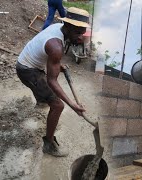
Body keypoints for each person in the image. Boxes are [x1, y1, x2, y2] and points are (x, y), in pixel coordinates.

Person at [16, 7, 90, 157]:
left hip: (30, 63)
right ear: (68, 26)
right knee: (58, 105)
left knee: (47, 93)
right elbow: (52, 81)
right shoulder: (56, 47)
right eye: (77, 33)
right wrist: (73, 104)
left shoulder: (58, 27)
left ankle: (42, 100)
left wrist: (56, 65)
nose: (81, 38)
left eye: (82, 33)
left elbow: (48, 53)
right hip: (27, 70)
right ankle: (48, 145)